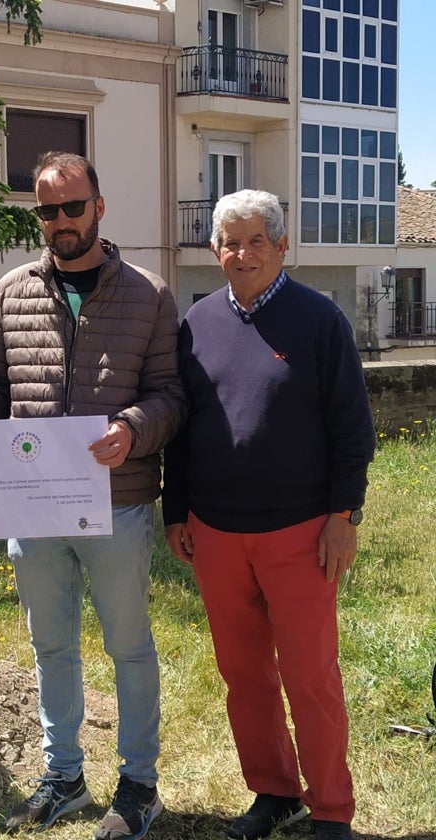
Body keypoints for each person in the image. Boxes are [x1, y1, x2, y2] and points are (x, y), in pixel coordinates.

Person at [0, 151, 185, 840]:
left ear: (99, 206)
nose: (62, 220)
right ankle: (64, 777)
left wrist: (133, 429)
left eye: (73, 206)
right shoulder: (11, 290)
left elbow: (172, 396)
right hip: (30, 504)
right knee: (53, 648)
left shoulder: (150, 293)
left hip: (119, 501)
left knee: (129, 647)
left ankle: (139, 787)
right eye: (48, 209)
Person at [162, 189, 374, 840]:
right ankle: (274, 790)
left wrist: (344, 514)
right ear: (214, 251)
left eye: (258, 240)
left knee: (310, 675)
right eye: (231, 241)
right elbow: (182, 426)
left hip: (302, 531)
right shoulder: (196, 323)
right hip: (216, 532)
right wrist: (177, 513)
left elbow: (352, 427)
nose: (243, 253)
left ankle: (332, 807)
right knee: (243, 673)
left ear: (283, 247)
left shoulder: (320, 320)